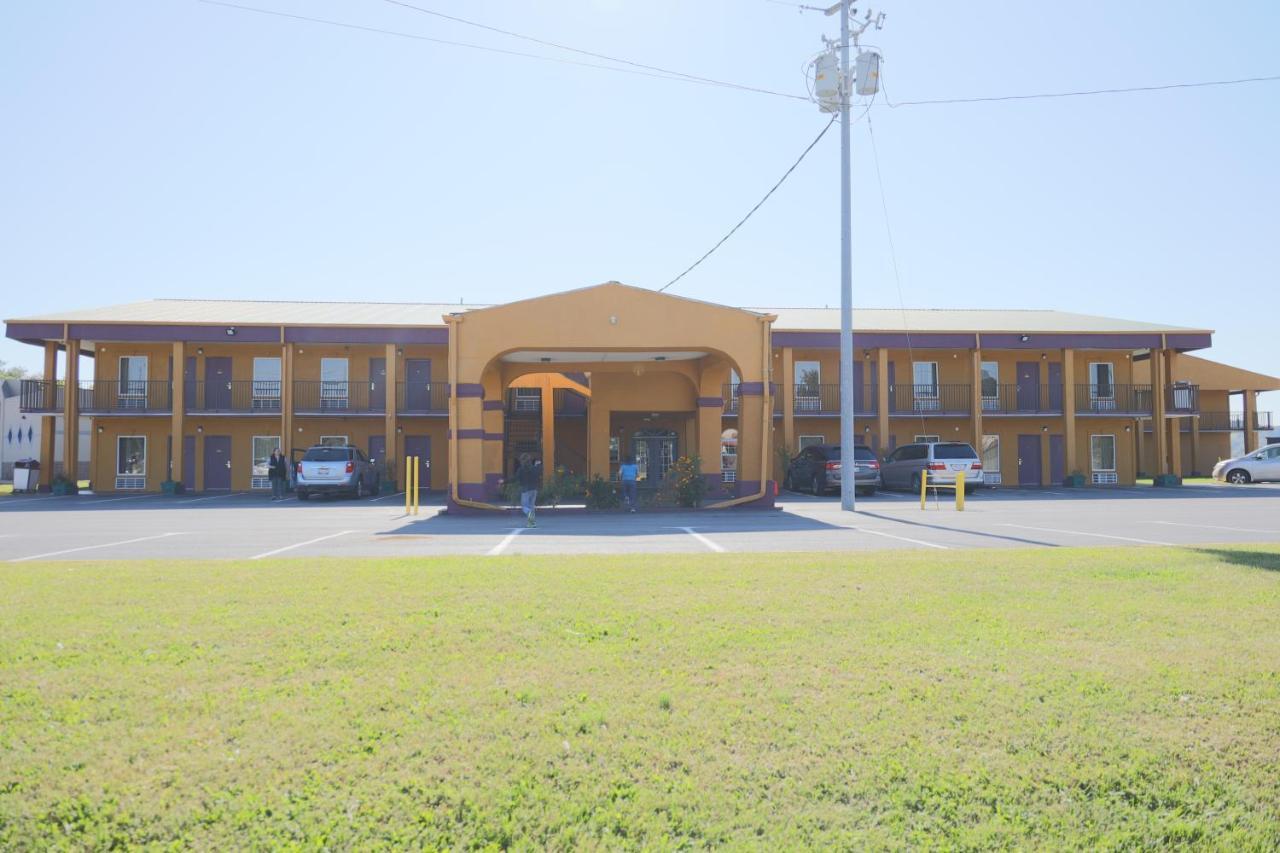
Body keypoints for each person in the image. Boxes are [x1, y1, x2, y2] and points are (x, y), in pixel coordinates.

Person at [516, 453, 542, 527]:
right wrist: (538, 465)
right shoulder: (534, 468)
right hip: (534, 490)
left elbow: (515, 478)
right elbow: (538, 473)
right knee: (531, 507)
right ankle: (532, 523)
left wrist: (504, 481)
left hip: (525, 490)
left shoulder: (521, 469)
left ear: (522, 460)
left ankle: (530, 518)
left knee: (525, 507)